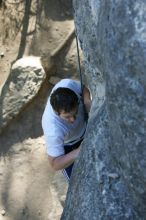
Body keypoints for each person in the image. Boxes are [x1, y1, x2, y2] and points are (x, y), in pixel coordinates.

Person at [42, 78, 91, 181]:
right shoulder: (53, 129)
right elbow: (54, 163)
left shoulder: (68, 84)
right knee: (77, 182)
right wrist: (78, 152)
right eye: (67, 117)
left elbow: (83, 88)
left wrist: (87, 102)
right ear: (56, 113)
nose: (73, 119)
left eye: (75, 112)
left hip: (86, 128)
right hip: (69, 146)